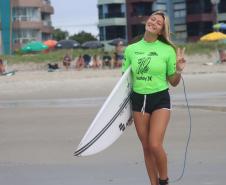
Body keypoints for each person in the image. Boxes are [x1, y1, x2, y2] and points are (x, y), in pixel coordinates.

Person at [121, 11, 186, 185]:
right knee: (147, 148)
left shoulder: (168, 50)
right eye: (152, 19)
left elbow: (173, 82)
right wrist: (124, 113)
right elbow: (125, 83)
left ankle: (164, 180)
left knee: (155, 144)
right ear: (147, 22)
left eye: (158, 23)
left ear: (161, 30)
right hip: (138, 100)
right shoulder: (131, 50)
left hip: (160, 99)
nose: (154, 22)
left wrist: (178, 69)